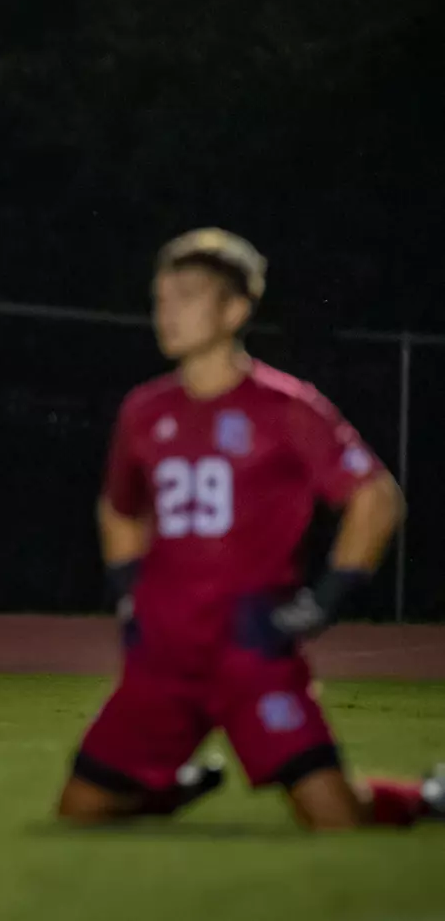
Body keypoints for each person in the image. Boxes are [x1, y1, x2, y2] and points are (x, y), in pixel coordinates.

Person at [56, 228, 444, 830]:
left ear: (235, 309)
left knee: (334, 818)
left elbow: (376, 498)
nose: (169, 312)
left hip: (250, 652)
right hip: (164, 654)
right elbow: (119, 508)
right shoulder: (143, 410)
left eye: (187, 295)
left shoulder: (286, 406)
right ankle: (165, 790)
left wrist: (319, 606)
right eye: (161, 298)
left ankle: (426, 800)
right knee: (79, 813)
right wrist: (130, 592)